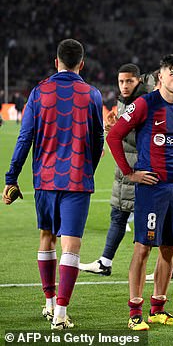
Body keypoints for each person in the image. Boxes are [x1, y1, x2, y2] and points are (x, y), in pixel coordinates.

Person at [3, 39, 104, 330]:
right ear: (81, 64)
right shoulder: (93, 94)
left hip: (45, 180)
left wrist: (11, 178)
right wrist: (88, 168)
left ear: (55, 61)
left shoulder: (39, 92)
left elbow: (25, 139)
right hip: (77, 178)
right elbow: (98, 140)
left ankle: (48, 303)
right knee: (71, 246)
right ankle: (60, 313)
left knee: (46, 238)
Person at [106, 54, 173, 331]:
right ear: (160, 78)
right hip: (151, 189)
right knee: (143, 248)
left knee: (169, 249)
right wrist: (129, 173)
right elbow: (114, 136)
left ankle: (158, 308)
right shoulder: (145, 104)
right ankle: (135, 312)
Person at [79, 63, 152, 277]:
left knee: (148, 220)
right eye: (121, 81)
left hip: (138, 170)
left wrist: (117, 130)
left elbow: (143, 138)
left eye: (129, 81)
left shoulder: (143, 102)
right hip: (126, 170)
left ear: (138, 80)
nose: (124, 85)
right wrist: (117, 125)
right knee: (119, 216)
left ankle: (168, 267)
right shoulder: (124, 102)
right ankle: (104, 262)